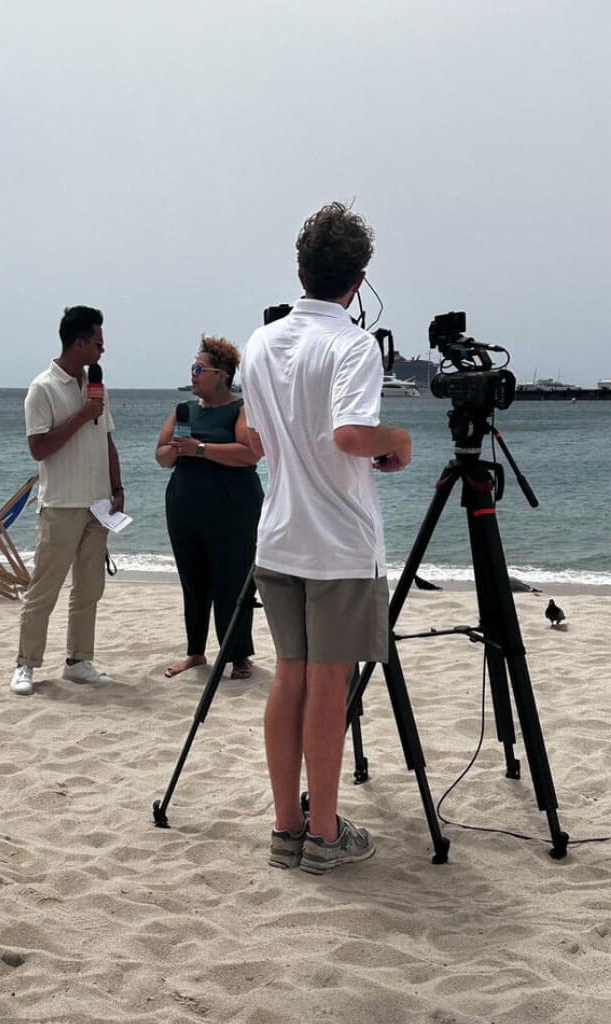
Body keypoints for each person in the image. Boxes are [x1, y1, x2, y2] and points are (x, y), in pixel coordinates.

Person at [240, 202, 412, 873]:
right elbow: (348, 434)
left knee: (291, 677)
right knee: (327, 687)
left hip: (278, 535)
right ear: (358, 280)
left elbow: (252, 437)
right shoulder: (353, 344)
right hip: (338, 542)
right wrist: (396, 439)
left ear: (301, 269)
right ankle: (325, 834)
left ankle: (288, 827)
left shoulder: (261, 342)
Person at [9, 305, 124, 696]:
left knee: (89, 589)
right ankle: (25, 664)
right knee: (45, 588)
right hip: (60, 505)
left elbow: (107, 439)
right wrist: (80, 415)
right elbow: (38, 448)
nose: (102, 350)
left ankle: (78, 661)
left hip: (98, 504)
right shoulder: (42, 387)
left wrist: (118, 488)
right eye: (98, 343)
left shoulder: (96, 386)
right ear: (78, 342)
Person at [155, 337, 264, 680]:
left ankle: (238, 655)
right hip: (185, 503)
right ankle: (196, 652)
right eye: (193, 368)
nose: (194, 374)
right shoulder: (184, 410)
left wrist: (200, 448)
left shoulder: (241, 409)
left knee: (233, 577)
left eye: (199, 368)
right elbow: (161, 455)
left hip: (233, 505)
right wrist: (174, 451)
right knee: (193, 578)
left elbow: (250, 453)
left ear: (222, 375)